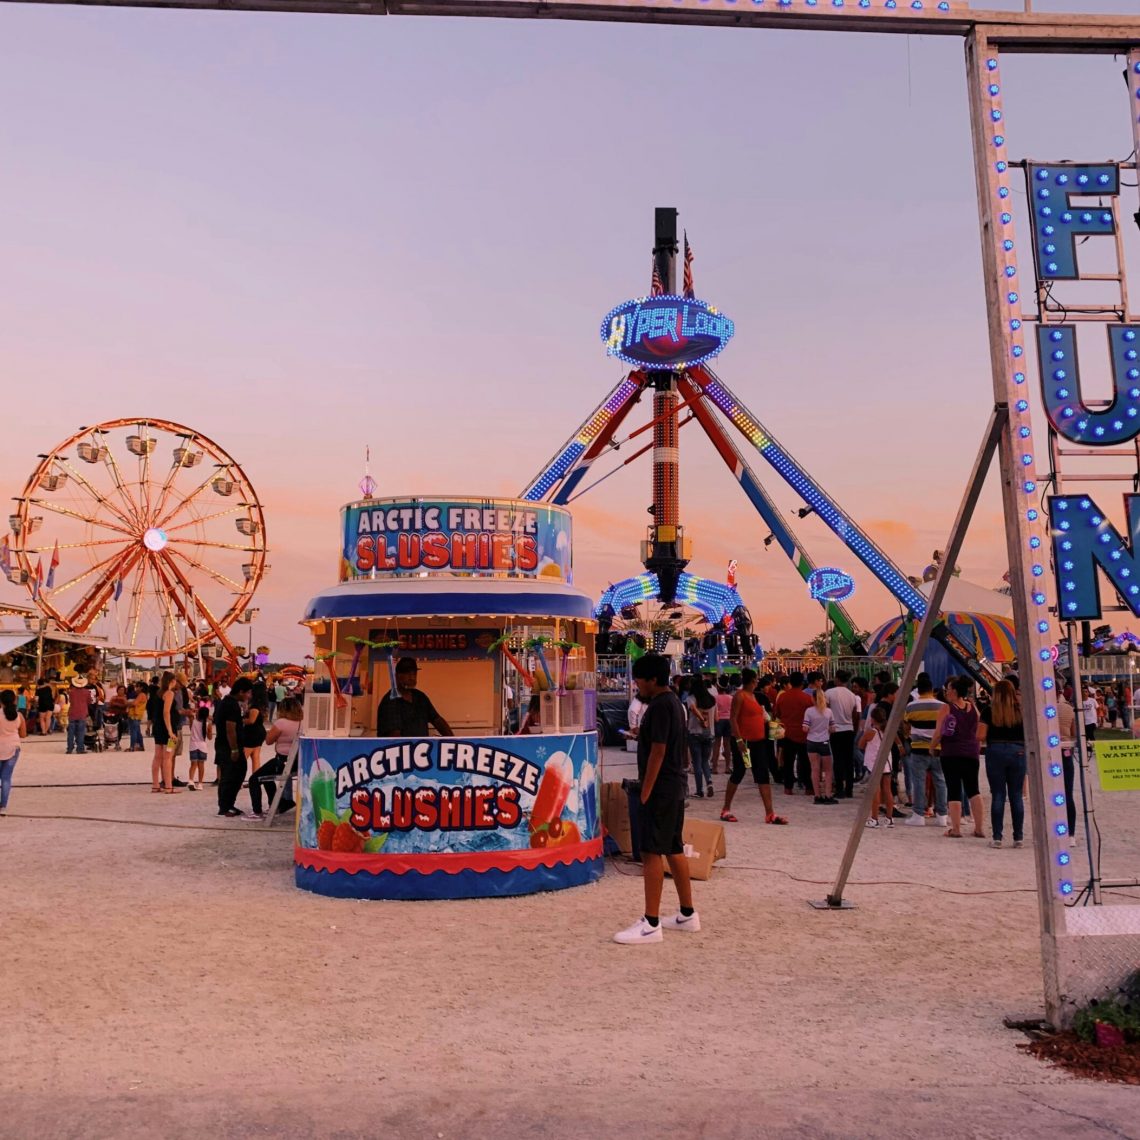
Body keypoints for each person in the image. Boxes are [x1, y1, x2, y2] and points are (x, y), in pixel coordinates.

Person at [613, 653, 699, 944]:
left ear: (652, 679)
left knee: (651, 851)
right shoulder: (673, 703)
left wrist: (646, 790)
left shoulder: (660, 706)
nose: (636, 683)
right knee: (674, 847)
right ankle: (687, 913)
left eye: (638, 678)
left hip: (661, 788)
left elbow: (659, 752)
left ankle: (651, 922)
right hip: (674, 786)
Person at [721, 668, 788, 825]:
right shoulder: (740, 696)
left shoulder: (754, 696)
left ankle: (770, 813)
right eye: (756, 679)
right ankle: (726, 808)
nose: (758, 682)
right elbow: (733, 719)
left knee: (762, 775)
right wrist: (738, 741)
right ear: (752, 681)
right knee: (739, 772)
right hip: (745, 742)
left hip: (758, 742)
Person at [932, 677, 984, 839]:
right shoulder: (973, 707)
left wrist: (932, 747)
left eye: (948, 689)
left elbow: (939, 731)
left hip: (951, 753)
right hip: (971, 753)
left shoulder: (946, 709)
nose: (946, 691)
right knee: (973, 790)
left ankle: (955, 829)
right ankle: (979, 828)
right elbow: (979, 726)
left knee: (953, 789)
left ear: (954, 691)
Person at [981, 679, 1026, 849]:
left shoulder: (989, 711)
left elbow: (980, 735)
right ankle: (1018, 837)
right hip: (1018, 750)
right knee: (1016, 795)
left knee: (998, 795)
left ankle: (997, 837)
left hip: (996, 750)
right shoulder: (1020, 711)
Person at [902, 673, 949, 828]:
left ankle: (918, 814)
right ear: (932, 690)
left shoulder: (911, 706)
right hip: (938, 749)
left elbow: (906, 727)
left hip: (918, 749)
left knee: (919, 782)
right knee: (940, 781)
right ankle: (942, 815)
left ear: (918, 690)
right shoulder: (942, 706)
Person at [246, 697, 302, 818]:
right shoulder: (302, 723)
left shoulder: (281, 723)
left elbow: (268, 741)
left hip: (281, 761)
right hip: (297, 763)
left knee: (254, 779)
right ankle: (277, 804)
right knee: (267, 776)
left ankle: (257, 811)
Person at [376, 658, 453, 736]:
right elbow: (394, 737)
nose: (412, 678)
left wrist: (454, 741)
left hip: (422, 746)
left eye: (414, 674)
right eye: (407, 674)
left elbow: (437, 720)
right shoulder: (390, 701)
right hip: (399, 747)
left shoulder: (420, 697)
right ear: (397, 676)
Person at [216, 676, 254, 817]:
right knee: (231, 775)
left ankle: (228, 804)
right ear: (241, 691)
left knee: (234, 774)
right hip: (228, 746)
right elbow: (230, 728)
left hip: (224, 744)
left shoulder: (228, 702)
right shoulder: (231, 705)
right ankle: (225, 806)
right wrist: (234, 749)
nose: (249, 696)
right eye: (248, 693)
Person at [774, 672, 813, 796]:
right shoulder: (807, 698)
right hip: (803, 734)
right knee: (806, 762)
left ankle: (788, 787)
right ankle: (808, 787)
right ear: (802, 683)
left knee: (788, 762)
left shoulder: (783, 697)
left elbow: (777, 714)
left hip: (787, 733)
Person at [826, 670, 860, 799]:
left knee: (838, 760)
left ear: (837, 679)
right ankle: (849, 789)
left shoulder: (829, 693)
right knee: (848, 760)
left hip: (835, 729)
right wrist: (854, 729)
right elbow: (855, 714)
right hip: (849, 729)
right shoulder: (852, 695)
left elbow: (826, 710)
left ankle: (839, 788)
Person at [863, 705, 895, 828]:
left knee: (875, 791)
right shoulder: (888, 730)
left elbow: (860, 744)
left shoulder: (871, 732)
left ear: (872, 719)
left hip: (874, 763)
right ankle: (889, 818)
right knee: (887, 790)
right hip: (887, 762)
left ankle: (874, 818)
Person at [803, 686, 836, 804]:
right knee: (827, 770)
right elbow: (833, 728)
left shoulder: (809, 711)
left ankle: (817, 795)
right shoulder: (828, 712)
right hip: (824, 741)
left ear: (813, 698)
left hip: (811, 741)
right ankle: (827, 794)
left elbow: (805, 728)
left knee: (815, 769)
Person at [685, 674, 716, 798]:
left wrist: (702, 718)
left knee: (696, 762)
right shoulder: (712, 699)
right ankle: (709, 782)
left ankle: (699, 790)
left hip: (695, 732)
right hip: (710, 734)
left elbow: (692, 708)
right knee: (705, 761)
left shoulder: (691, 698)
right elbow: (717, 717)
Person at [150, 672, 182, 794]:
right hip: (167, 729)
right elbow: (166, 712)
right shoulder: (169, 693)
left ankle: (155, 784)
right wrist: (170, 731)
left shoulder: (158, 693)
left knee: (157, 756)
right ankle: (169, 786)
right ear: (171, 681)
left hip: (158, 728)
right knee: (168, 757)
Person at [0, 688, 26, 816]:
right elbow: (23, 734)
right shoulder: (19, 715)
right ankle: (3, 806)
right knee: (6, 778)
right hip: (13, 747)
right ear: (15, 700)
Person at [188, 686, 212, 791]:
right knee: (201, 765)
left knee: (193, 764)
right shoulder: (207, 724)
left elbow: (190, 716)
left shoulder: (193, 721)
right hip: (202, 746)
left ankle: (190, 780)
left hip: (193, 745)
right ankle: (200, 783)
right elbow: (210, 738)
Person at [65, 675, 94, 755]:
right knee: (81, 732)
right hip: (82, 713)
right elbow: (89, 702)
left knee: (71, 732)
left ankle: (69, 748)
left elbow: (70, 701)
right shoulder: (87, 692)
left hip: (72, 713)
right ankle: (80, 748)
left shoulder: (71, 692)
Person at [710, 678, 733, 776]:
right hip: (729, 721)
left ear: (718, 687)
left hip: (718, 720)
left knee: (717, 744)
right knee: (727, 745)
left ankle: (714, 767)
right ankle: (727, 767)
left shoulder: (715, 698)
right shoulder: (731, 698)